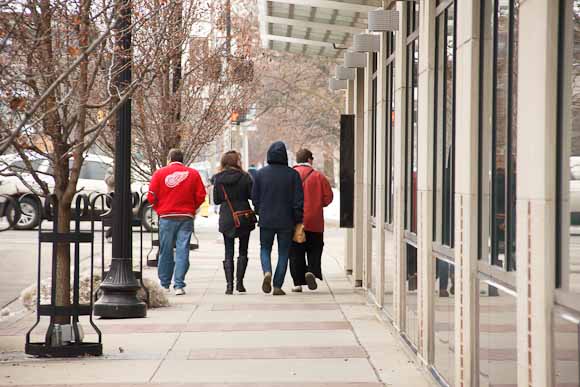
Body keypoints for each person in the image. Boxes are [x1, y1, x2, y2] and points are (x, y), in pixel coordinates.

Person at [147, 148, 206, 295]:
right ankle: (179, 285)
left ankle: (165, 283)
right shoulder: (193, 174)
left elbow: (151, 196)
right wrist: (192, 208)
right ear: (182, 159)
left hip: (166, 216)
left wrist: (159, 208)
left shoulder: (159, 173)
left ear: (169, 159)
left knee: (165, 250)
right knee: (182, 249)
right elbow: (201, 195)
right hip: (185, 216)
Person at [252, 141, 304, 296]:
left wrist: (259, 211)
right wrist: (298, 219)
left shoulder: (260, 174)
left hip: (266, 219)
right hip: (286, 220)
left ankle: (267, 271)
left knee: (265, 248)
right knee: (283, 253)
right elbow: (298, 201)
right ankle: (277, 285)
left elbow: (254, 197)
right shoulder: (293, 175)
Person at [289, 149, 333, 292]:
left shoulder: (290, 175)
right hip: (314, 221)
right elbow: (328, 197)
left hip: (295, 221)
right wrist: (317, 204)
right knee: (315, 248)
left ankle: (297, 282)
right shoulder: (319, 176)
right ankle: (312, 271)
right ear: (309, 159)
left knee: (296, 252)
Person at [212, 151, 255, 295]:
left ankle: (229, 285)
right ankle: (240, 283)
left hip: (227, 217)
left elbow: (217, 200)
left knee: (228, 250)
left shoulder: (218, 179)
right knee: (243, 250)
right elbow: (252, 195)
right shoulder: (245, 177)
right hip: (243, 216)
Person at [104, 166, 115, 242]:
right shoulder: (110, 170)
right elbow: (109, 182)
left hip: (124, 196)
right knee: (116, 216)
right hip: (113, 196)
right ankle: (109, 234)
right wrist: (116, 173)